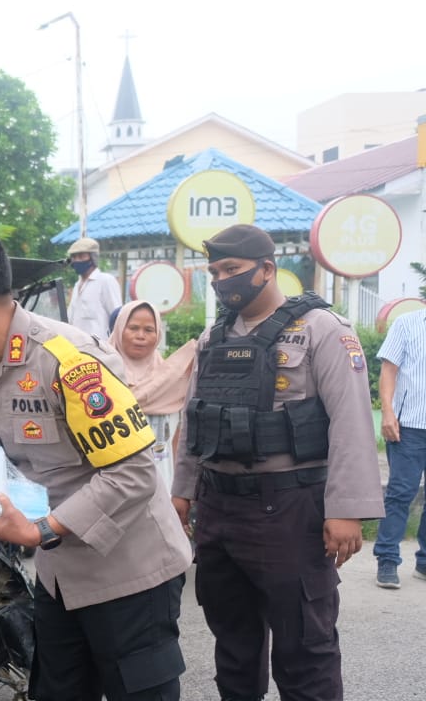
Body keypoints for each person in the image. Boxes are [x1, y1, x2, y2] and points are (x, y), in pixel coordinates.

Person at [0, 227, 192, 701]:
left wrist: (43, 530)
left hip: (129, 569)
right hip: (59, 572)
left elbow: (134, 472)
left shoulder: (68, 359)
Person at [170, 224, 384, 701]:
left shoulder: (322, 330)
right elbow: (193, 420)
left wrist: (345, 509)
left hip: (289, 508)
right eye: (214, 272)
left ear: (267, 269)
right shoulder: (213, 337)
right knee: (234, 647)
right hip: (219, 510)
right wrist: (181, 493)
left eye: (231, 270)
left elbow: (350, 421)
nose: (221, 280)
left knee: (304, 648)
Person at [108, 300, 198, 491]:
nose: (140, 336)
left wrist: (180, 492)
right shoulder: (99, 377)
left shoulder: (173, 382)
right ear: (118, 330)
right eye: (133, 328)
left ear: (158, 335)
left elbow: (177, 443)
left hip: (162, 491)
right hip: (113, 493)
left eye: (149, 330)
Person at [373, 307, 426, 589]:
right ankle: (387, 560)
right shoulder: (407, 323)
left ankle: (425, 563)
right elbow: (389, 369)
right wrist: (388, 413)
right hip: (410, 427)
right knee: (400, 493)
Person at [67, 236, 122, 340]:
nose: (76, 260)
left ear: (93, 257)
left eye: (81, 256)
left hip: (100, 348)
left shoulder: (105, 281)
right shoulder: (76, 286)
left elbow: (118, 317)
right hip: (77, 347)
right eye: (74, 257)